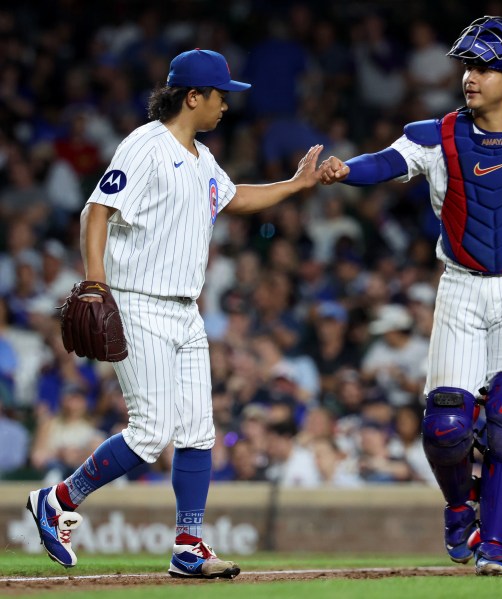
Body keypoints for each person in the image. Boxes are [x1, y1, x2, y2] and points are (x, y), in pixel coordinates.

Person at [319, 15, 502, 576]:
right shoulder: (435, 135)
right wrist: (344, 170)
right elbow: (385, 162)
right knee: (446, 424)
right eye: (467, 67)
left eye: (483, 68)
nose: (470, 77)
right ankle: (461, 509)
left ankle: (496, 545)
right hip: (460, 287)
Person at [26, 48, 323, 580]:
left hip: (186, 312)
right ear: (193, 96)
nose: (226, 106)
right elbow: (97, 210)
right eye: (220, 95)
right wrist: (96, 283)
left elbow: (236, 198)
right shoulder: (146, 145)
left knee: (198, 432)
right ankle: (59, 499)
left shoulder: (202, 158)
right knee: (148, 433)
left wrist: (297, 185)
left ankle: (189, 545)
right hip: (138, 300)